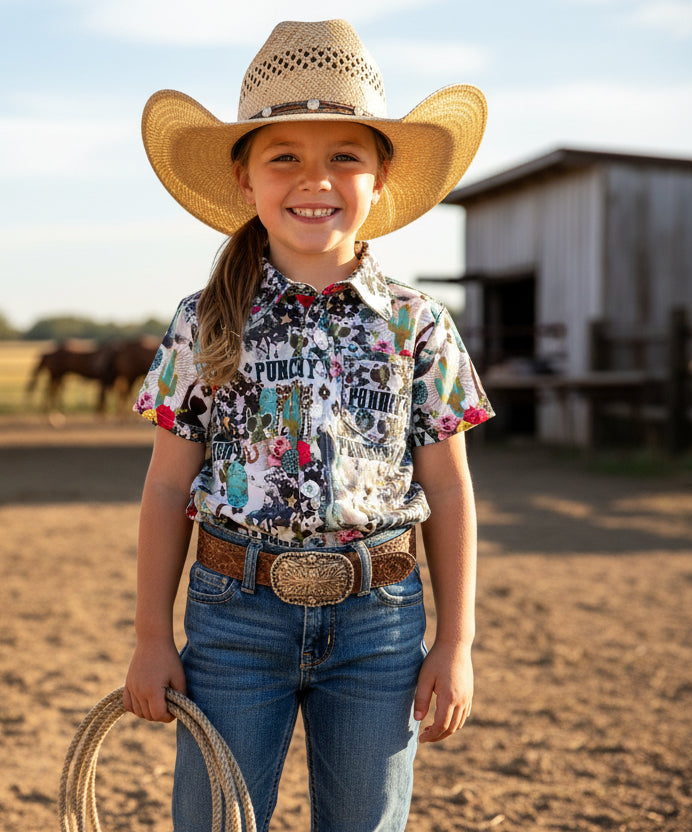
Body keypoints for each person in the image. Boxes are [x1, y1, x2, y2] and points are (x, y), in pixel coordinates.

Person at [122, 19, 493, 832]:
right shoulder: (203, 321)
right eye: (283, 154)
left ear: (381, 175)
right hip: (233, 615)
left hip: (381, 621)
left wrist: (455, 642)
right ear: (246, 177)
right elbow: (163, 485)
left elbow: (450, 487)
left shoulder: (417, 325)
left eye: (344, 156)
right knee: (216, 820)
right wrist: (153, 635)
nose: (313, 179)